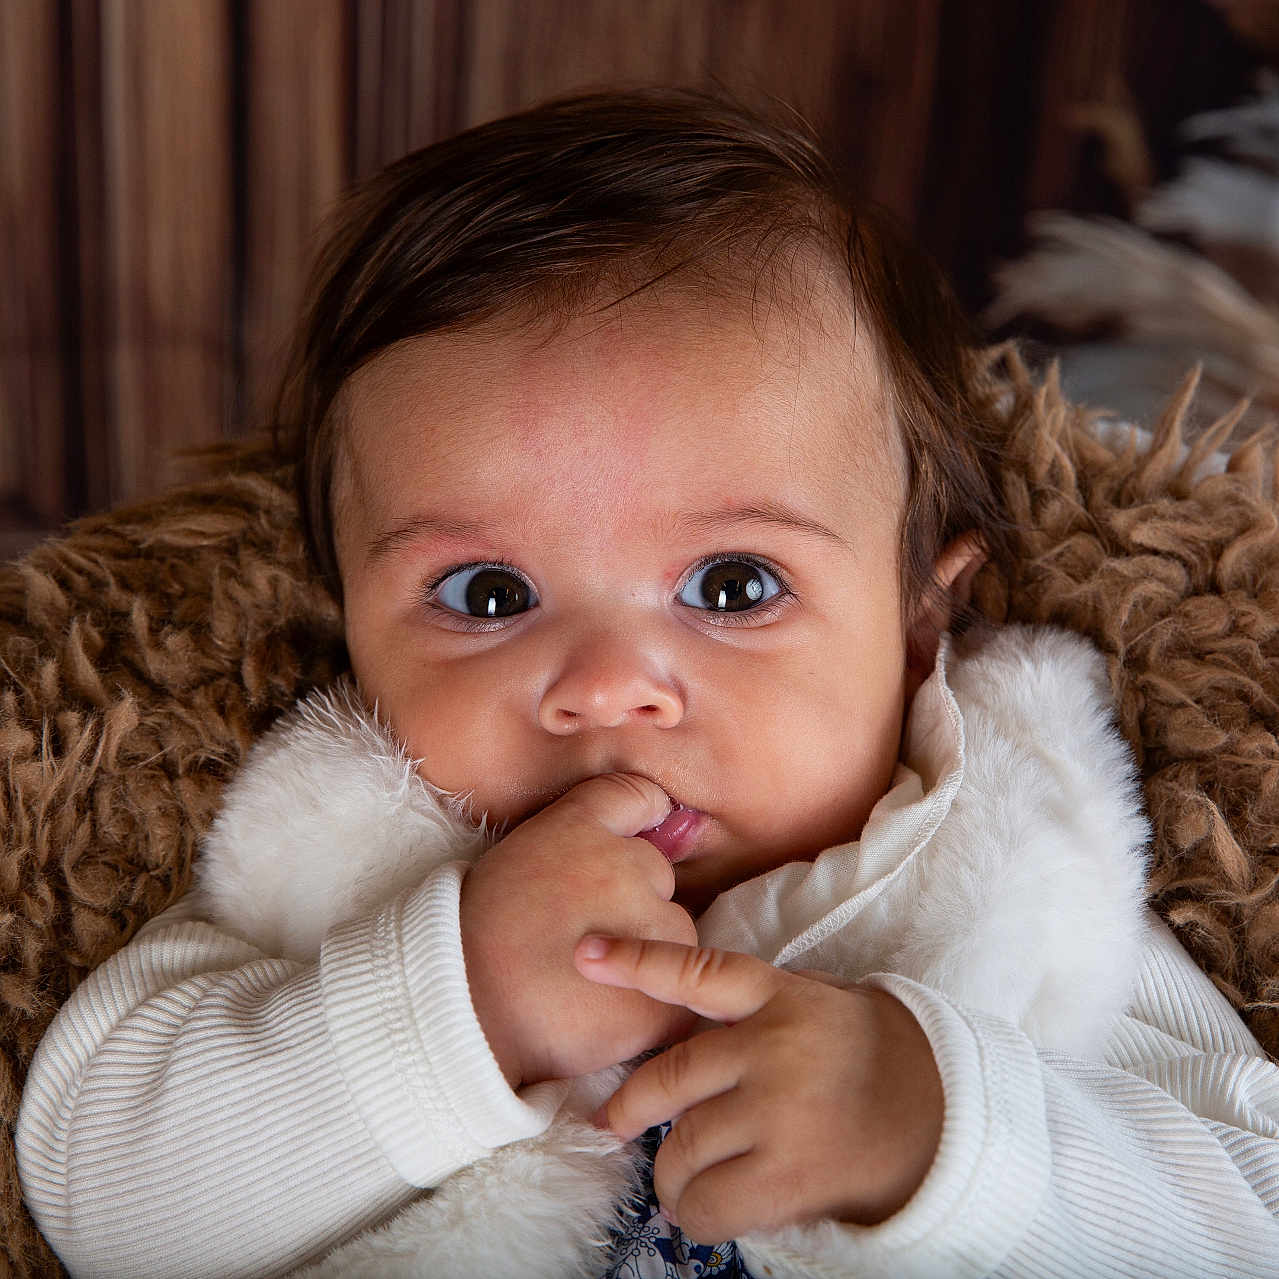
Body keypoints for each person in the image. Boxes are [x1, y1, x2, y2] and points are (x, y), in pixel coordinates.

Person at [15, 89, 1279, 1279]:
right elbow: (99, 1195)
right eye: (488, 596)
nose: (609, 688)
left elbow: (1252, 1207)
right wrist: (455, 1008)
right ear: (346, 623)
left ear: (915, 618)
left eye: (731, 586)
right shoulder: (347, 858)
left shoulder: (996, 859)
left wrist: (941, 1133)